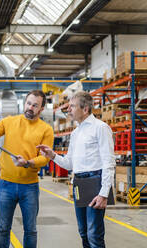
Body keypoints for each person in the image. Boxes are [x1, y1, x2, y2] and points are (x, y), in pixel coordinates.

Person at [38, 91, 115, 248]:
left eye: (72, 106)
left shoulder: (100, 128)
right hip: (79, 183)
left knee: (95, 235)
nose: (69, 110)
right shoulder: (75, 133)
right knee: (83, 232)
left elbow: (109, 161)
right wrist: (53, 155)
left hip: (95, 181)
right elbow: (70, 164)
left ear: (85, 109)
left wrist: (103, 193)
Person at [0, 90, 54, 248]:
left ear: (41, 109)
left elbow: (45, 158)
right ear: (24, 103)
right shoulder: (9, 121)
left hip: (30, 187)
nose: (30, 107)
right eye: (28, 103)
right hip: (6, 184)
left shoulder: (46, 129)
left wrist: (28, 162)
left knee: (30, 230)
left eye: (35, 105)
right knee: (2, 229)